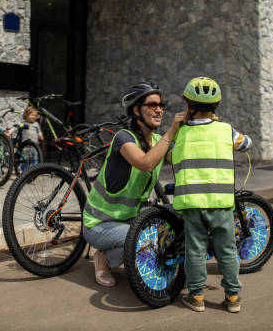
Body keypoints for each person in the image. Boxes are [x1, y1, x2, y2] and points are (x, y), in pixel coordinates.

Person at [82, 82, 185, 287]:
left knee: (171, 229)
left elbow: (180, 157)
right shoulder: (123, 138)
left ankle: (118, 251)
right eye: (152, 104)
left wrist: (199, 126)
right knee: (144, 238)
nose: (159, 109)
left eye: (161, 105)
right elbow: (146, 163)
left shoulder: (157, 140)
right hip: (99, 224)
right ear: (136, 110)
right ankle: (104, 258)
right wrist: (172, 130)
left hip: (128, 220)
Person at [171, 76, 252, 314]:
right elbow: (246, 143)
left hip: (192, 202)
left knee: (194, 249)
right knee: (227, 249)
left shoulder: (181, 132)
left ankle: (196, 297)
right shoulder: (226, 130)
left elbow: (169, 155)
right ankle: (233, 297)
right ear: (216, 107)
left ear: (188, 106)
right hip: (221, 202)